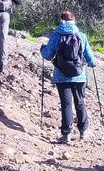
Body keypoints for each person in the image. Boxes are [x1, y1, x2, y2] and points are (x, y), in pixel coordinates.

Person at [38, 10, 96, 144]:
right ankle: (83, 131)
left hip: (61, 76)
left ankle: (66, 135)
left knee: (66, 105)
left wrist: (42, 49)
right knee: (80, 102)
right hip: (79, 75)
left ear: (61, 20)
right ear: (74, 20)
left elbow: (47, 55)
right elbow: (89, 56)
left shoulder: (56, 35)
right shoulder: (81, 35)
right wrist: (93, 63)